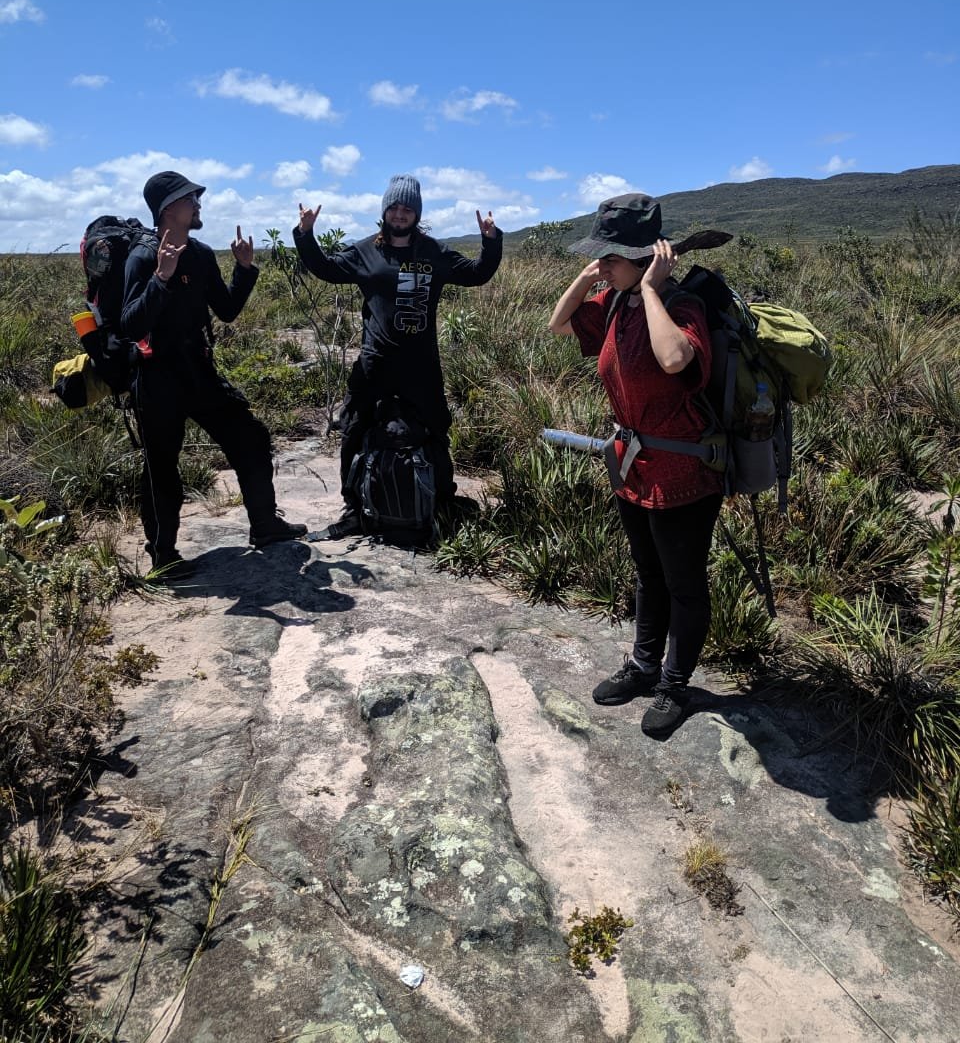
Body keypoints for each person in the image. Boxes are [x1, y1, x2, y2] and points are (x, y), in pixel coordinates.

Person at [548, 193, 722, 737]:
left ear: (646, 258)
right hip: (632, 466)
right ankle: (645, 666)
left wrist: (649, 288)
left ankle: (674, 684)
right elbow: (558, 324)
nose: (602, 265)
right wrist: (590, 275)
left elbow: (674, 359)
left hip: (684, 472)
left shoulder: (681, 306)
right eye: (600, 255)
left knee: (683, 584)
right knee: (649, 574)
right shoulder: (615, 303)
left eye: (611, 256)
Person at [293, 173, 502, 537]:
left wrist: (491, 240)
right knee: (354, 429)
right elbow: (325, 268)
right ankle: (354, 509)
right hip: (375, 363)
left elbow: (477, 274)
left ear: (416, 214)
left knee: (436, 429)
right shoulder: (365, 252)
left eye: (407, 209)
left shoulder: (434, 252)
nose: (400, 214)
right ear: (384, 211)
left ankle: (441, 502)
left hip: (421, 366)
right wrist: (305, 234)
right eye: (394, 207)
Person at [122, 170, 307, 579]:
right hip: (156, 379)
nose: (198, 204)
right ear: (167, 209)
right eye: (190, 199)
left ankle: (265, 525)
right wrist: (161, 277)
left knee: (250, 437)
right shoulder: (143, 257)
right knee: (161, 466)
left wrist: (244, 269)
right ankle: (163, 557)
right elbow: (131, 325)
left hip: (199, 371)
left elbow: (226, 310)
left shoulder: (201, 254)